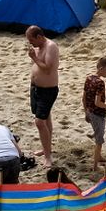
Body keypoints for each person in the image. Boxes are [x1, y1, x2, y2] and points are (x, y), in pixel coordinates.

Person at [26, 26, 60, 167]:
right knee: (45, 119)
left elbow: (47, 69)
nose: (31, 43)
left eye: (32, 40)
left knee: (39, 122)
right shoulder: (39, 46)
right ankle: (47, 148)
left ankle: (48, 157)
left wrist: (33, 57)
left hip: (48, 90)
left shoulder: (51, 46)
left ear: (39, 36)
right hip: (36, 89)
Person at [84, 57, 106, 172]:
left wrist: (86, 111)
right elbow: (98, 102)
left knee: (98, 134)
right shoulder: (100, 83)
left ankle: (99, 157)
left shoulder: (89, 78)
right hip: (98, 114)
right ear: (101, 68)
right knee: (99, 141)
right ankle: (95, 167)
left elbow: (84, 97)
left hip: (90, 112)